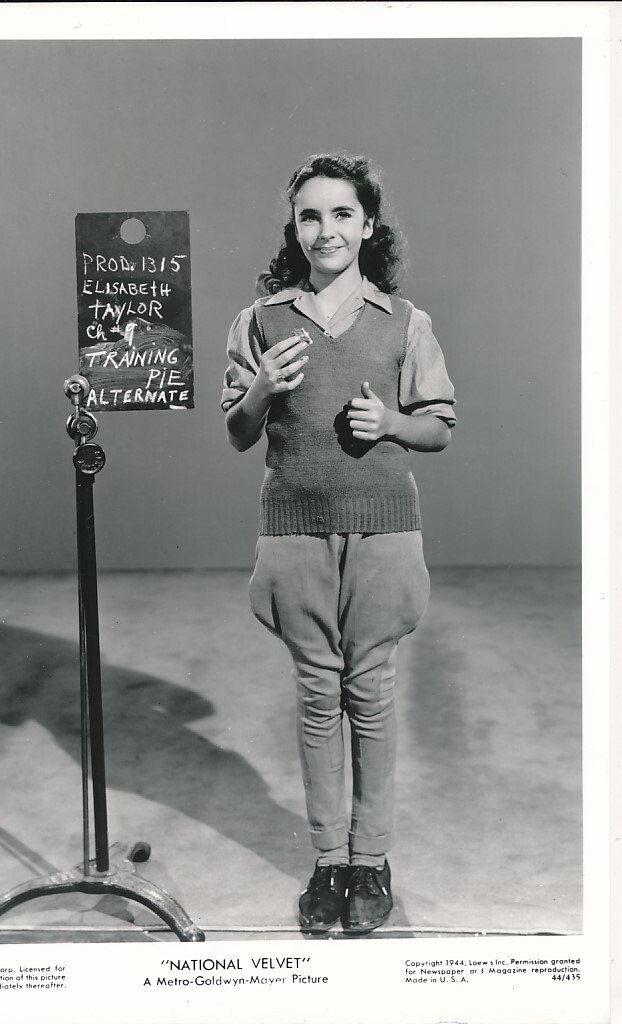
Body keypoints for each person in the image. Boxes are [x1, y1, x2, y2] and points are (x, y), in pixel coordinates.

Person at [221, 153, 456, 935]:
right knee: (318, 696)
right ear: (294, 228)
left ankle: (373, 858)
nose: (326, 229)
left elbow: (438, 427)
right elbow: (236, 432)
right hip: (293, 532)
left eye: (342, 214)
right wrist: (262, 389)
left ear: (368, 225)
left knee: (372, 692)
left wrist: (391, 423)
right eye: (311, 216)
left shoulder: (404, 320)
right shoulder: (259, 321)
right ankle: (329, 863)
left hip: (386, 530)